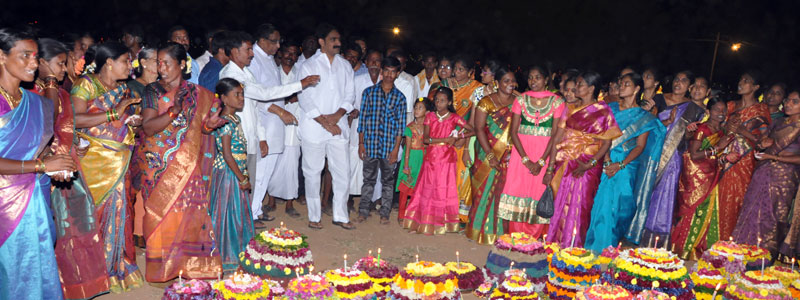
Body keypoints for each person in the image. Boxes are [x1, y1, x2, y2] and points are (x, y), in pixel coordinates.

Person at [139, 42, 226, 282]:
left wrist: (210, 126)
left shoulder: (199, 93)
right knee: (160, 215)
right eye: (159, 63)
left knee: (188, 213)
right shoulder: (152, 91)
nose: (161, 68)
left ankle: (190, 266)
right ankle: (162, 268)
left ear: (183, 65)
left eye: (167, 63)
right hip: (157, 165)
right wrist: (172, 112)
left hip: (188, 164)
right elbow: (147, 127)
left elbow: (202, 129)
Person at [0, 29, 76, 300]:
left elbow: (40, 149)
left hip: (35, 196)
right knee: (13, 269)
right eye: (25, 56)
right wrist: (41, 166)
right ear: (1, 56)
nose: (34, 63)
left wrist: (53, 165)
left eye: (35, 57)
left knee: (39, 262)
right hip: (4, 205)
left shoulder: (34, 102)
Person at [219, 31, 319, 224]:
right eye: (247, 49)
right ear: (233, 51)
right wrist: (300, 84)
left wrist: (261, 136)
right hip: (235, 136)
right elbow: (264, 93)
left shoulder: (245, 72)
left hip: (250, 134)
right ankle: (236, 223)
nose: (251, 53)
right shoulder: (230, 74)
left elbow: (255, 106)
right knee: (237, 182)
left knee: (252, 179)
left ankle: (249, 215)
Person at [70, 41, 144, 290]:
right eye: (126, 60)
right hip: (94, 164)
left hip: (119, 161)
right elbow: (76, 120)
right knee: (94, 214)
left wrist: (130, 121)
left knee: (122, 211)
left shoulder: (122, 88)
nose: (131, 66)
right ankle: (92, 272)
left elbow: (119, 122)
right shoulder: (86, 84)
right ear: (109, 62)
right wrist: (115, 114)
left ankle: (117, 266)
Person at [584, 72, 665, 251]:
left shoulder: (643, 116)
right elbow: (602, 137)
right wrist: (606, 161)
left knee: (621, 208)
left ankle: (611, 248)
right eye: (620, 83)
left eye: (626, 84)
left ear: (637, 89)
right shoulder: (610, 108)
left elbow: (640, 146)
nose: (621, 87)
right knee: (602, 205)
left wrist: (620, 165)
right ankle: (597, 248)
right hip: (606, 159)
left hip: (627, 166)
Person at [546, 72, 621, 248]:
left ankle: (573, 247)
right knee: (560, 204)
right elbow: (557, 138)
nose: (576, 88)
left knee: (580, 208)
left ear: (591, 88)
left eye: (580, 84)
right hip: (564, 161)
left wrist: (590, 164)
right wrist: (549, 168)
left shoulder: (603, 111)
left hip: (588, 166)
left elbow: (606, 144)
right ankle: (554, 244)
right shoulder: (569, 108)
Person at [296, 23, 356, 230]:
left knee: (342, 171)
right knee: (313, 171)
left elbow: (350, 95)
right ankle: (314, 216)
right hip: (314, 127)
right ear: (321, 41)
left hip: (338, 126)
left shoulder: (345, 65)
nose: (338, 43)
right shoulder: (308, 66)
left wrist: (337, 116)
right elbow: (305, 98)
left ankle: (340, 215)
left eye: (339, 39)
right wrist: (325, 122)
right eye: (333, 39)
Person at [249, 24, 311, 222]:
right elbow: (257, 96)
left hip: (276, 126)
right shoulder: (254, 61)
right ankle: (251, 212)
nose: (278, 46)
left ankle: (257, 209)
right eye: (275, 41)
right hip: (264, 125)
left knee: (266, 173)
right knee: (259, 173)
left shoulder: (267, 60)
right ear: (263, 41)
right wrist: (280, 110)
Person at [492, 66, 563, 240]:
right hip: (521, 155)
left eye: (537, 77)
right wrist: (526, 160)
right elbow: (513, 132)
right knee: (518, 190)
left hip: (544, 155)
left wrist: (540, 162)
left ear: (546, 79)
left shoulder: (557, 102)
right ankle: (516, 236)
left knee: (538, 192)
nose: (533, 81)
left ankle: (534, 237)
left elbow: (555, 135)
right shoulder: (521, 100)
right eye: (530, 78)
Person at [642, 70, 706, 245]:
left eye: (684, 81)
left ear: (689, 86)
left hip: (672, 158)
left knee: (664, 194)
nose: (678, 83)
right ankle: (636, 229)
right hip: (650, 151)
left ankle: (656, 235)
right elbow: (646, 123)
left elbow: (686, 140)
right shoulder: (659, 99)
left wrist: (688, 133)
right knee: (644, 190)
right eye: (676, 79)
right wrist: (661, 121)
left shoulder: (694, 109)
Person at [733, 89, 800, 257]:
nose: (788, 104)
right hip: (763, 171)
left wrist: (774, 156)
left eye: (795, 101)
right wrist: (763, 144)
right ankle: (743, 252)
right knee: (752, 209)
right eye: (788, 100)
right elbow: (763, 143)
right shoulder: (778, 123)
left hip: (784, 178)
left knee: (773, 215)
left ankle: (764, 257)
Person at [403, 87, 474, 234]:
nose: (438, 103)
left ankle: (442, 223)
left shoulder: (454, 117)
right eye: (436, 100)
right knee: (427, 189)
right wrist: (445, 139)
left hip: (447, 159)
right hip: (431, 158)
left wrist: (458, 137)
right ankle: (424, 222)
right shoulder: (430, 117)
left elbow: (472, 130)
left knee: (443, 189)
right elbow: (426, 139)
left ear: (449, 102)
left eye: (442, 101)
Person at [671, 97, 730, 259]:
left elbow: (717, 155)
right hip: (696, 176)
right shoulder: (703, 129)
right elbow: (695, 155)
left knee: (706, 211)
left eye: (723, 110)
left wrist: (725, 157)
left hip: (712, 175)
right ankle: (684, 249)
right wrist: (717, 148)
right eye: (717, 109)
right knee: (694, 209)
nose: (721, 113)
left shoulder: (723, 132)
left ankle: (699, 248)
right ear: (708, 112)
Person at [466, 67, 519, 244]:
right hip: (486, 153)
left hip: (510, 155)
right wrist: (490, 155)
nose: (510, 84)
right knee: (482, 191)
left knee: (503, 193)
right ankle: (477, 231)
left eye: (513, 81)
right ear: (497, 83)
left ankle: (500, 233)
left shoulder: (518, 103)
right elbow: (479, 129)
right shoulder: (486, 102)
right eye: (506, 81)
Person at [716, 71, 771, 241]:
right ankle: (715, 238)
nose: (741, 82)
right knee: (719, 195)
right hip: (725, 155)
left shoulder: (761, 109)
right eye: (741, 79)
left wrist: (742, 131)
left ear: (755, 87)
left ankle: (731, 241)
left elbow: (762, 140)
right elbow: (721, 129)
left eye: (746, 80)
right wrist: (728, 129)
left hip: (744, 160)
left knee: (737, 198)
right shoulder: (731, 105)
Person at [209, 78, 255, 273]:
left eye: (242, 94)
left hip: (236, 169)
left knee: (236, 212)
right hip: (229, 173)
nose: (241, 98)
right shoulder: (225, 122)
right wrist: (242, 178)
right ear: (224, 99)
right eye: (236, 95)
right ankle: (227, 256)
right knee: (228, 213)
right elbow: (227, 154)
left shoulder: (235, 119)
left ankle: (236, 253)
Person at [355, 56, 406, 225]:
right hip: (370, 144)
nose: (390, 75)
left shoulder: (400, 98)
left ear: (397, 73)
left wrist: (395, 150)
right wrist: (361, 143)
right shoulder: (369, 93)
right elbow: (362, 120)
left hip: (389, 147)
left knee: (387, 182)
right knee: (368, 179)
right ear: (382, 72)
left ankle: (385, 213)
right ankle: (363, 210)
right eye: (387, 71)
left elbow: (400, 127)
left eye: (393, 71)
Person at [268, 42, 305, 213]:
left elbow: (308, 96)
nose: (291, 56)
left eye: (294, 54)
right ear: (281, 54)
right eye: (288, 53)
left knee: (291, 166)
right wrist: (286, 99)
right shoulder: (273, 72)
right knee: (273, 163)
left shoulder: (301, 73)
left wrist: (298, 98)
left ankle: (290, 203)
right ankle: (271, 200)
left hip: (294, 126)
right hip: (275, 123)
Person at [447, 54, 483, 222]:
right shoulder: (446, 84)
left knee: (463, 174)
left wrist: (464, 136)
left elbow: (475, 120)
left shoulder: (477, 89)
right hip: (447, 136)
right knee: (448, 174)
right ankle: (446, 211)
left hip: (467, 136)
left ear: (470, 72)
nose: (456, 72)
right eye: (455, 69)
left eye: (461, 69)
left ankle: (462, 215)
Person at [349, 50, 382, 206]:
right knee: (353, 160)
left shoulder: (385, 81)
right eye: (371, 60)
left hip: (377, 128)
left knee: (371, 164)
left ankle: (367, 199)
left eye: (377, 61)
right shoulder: (358, 80)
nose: (374, 64)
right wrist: (353, 112)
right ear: (366, 63)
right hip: (358, 125)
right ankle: (348, 197)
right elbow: (349, 101)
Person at [397, 97, 434, 222]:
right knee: (406, 186)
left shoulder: (428, 127)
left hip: (423, 158)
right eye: (415, 108)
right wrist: (406, 165)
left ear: (427, 112)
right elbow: (407, 148)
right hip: (412, 157)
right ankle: (401, 214)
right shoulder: (410, 127)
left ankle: (416, 213)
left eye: (420, 108)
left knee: (420, 186)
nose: (416, 110)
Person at [388, 50, 419, 124]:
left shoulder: (409, 81)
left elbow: (409, 107)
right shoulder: (385, 76)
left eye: (401, 64)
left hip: (403, 119)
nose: (398, 66)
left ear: (404, 65)